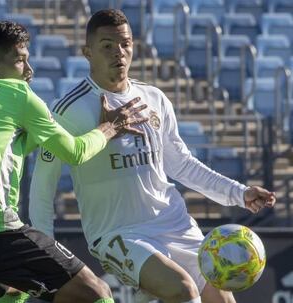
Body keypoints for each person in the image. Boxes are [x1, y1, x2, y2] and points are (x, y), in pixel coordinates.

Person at [29, 9, 276, 303]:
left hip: (175, 224)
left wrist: (239, 191)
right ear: (87, 52)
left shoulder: (154, 98)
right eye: (107, 46)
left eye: (125, 44)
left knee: (219, 297)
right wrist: (45, 256)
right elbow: (42, 186)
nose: (119, 53)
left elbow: (182, 164)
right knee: (183, 291)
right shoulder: (67, 110)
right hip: (117, 234)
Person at [0, 20, 149, 303]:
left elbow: (4, 146)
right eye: (21, 60)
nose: (30, 71)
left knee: (15, 293)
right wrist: (110, 128)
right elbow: (75, 152)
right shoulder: (17, 94)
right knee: (96, 292)